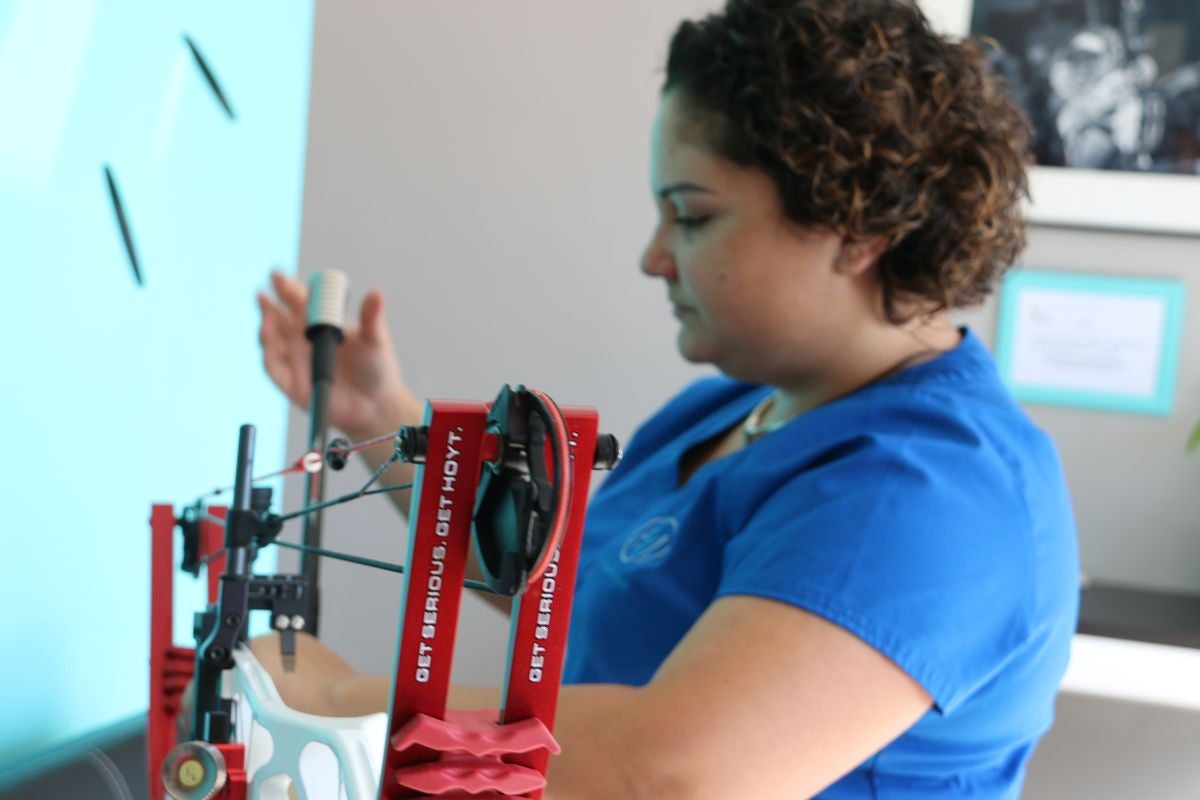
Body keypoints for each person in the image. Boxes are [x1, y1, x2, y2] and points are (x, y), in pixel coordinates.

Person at [253, 1, 1079, 797]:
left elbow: (669, 775)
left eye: (691, 216)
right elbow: (566, 598)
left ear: (855, 224)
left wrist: (331, 703)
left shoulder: (933, 492)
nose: (655, 257)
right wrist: (380, 413)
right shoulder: (723, 412)